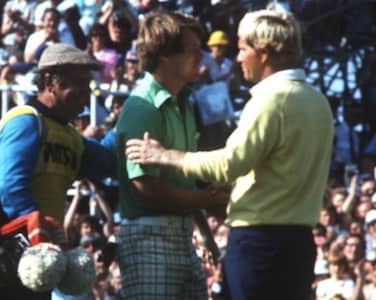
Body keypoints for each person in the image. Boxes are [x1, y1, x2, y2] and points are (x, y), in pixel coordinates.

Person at [125, 9, 334, 300]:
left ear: (264, 53)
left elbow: (228, 164)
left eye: (243, 49)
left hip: (260, 244)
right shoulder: (318, 101)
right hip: (299, 245)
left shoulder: (271, 99)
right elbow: (280, 168)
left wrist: (166, 155)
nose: (237, 58)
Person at [0, 43, 115, 299]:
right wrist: (41, 240)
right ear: (50, 81)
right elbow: (11, 190)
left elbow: (108, 161)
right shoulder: (26, 123)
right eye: (79, 84)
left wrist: (126, 122)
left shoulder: (71, 137)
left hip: (38, 260)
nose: (86, 94)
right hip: (7, 258)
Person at [115, 11, 229, 299]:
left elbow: (184, 181)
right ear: (166, 54)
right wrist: (208, 199)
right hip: (148, 239)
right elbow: (146, 189)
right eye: (193, 50)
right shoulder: (143, 107)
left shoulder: (185, 103)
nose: (201, 57)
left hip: (182, 236)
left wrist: (205, 234)